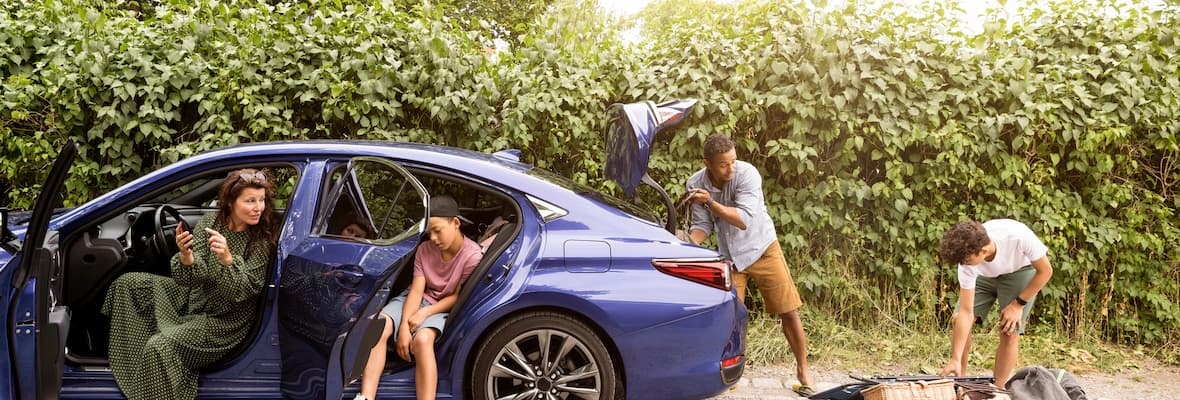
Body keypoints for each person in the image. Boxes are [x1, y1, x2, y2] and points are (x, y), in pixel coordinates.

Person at [102, 168, 277, 400]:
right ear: (230, 202)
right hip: (197, 297)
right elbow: (192, 279)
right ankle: (136, 371)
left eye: (262, 200)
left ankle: (150, 382)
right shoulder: (210, 222)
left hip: (226, 321)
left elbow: (244, 292)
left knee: (160, 347)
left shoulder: (261, 239)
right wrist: (186, 257)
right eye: (251, 201)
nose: (259, 207)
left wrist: (227, 260)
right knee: (129, 284)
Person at [684, 134, 815, 396]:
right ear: (707, 163)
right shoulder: (695, 183)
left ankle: (803, 372)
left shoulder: (747, 174)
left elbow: (742, 219)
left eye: (733, 161)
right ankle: (729, 376)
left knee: (788, 310)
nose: (731, 168)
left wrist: (709, 200)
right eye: (723, 164)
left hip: (762, 248)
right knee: (730, 319)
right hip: (730, 258)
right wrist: (685, 243)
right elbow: (702, 227)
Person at [354, 195, 482, 400]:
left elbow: (457, 296)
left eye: (437, 230)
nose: (432, 238)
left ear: (455, 223)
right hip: (417, 298)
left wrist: (425, 313)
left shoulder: (473, 255)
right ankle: (366, 396)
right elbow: (416, 290)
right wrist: (404, 326)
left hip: (443, 306)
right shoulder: (424, 249)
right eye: (429, 232)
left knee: (423, 340)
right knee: (379, 325)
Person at [937, 219, 1054, 388]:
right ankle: (960, 381)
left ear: (983, 251)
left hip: (1019, 271)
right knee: (958, 319)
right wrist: (955, 358)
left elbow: (1046, 271)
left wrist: (1018, 304)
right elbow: (966, 312)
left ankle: (998, 389)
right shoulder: (968, 260)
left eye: (966, 262)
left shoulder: (1019, 237)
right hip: (984, 275)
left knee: (1009, 330)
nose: (963, 265)